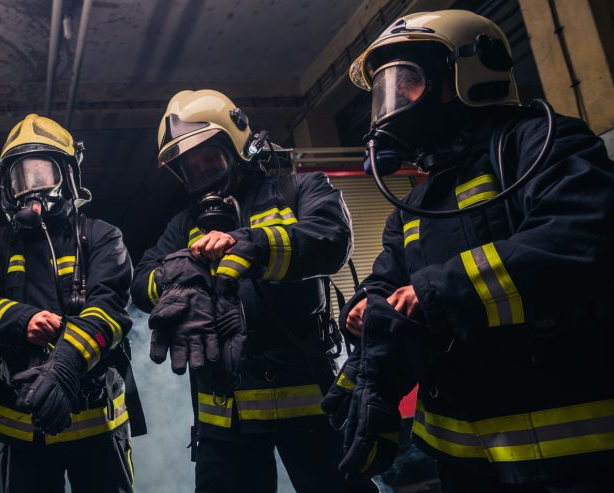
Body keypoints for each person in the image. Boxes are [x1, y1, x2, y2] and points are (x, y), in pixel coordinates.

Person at [335, 9, 614, 491]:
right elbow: (389, 275)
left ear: (466, 74)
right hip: (461, 457)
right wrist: (365, 304)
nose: (392, 103)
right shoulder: (416, 200)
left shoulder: (541, 143)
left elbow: (578, 241)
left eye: (407, 83)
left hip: (575, 453)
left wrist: (431, 294)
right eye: (385, 91)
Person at [131, 89, 374, 492]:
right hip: (224, 417)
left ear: (237, 142)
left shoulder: (299, 188)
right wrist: (179, 275)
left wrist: (252, 245)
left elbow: (332, 237)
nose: (202, 171)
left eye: (209, 156)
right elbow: (142, 282)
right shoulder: (184, 224)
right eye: (189, 167)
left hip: (310, 403)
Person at [0, 114, 137, 493]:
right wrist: (22, 320)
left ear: (69, 176)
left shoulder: (103, 237)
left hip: (95, 422)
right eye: (20, 178)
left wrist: (65, 366)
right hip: (22, 427)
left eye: (42, 175)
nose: (32, 188)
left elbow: (108, 311)